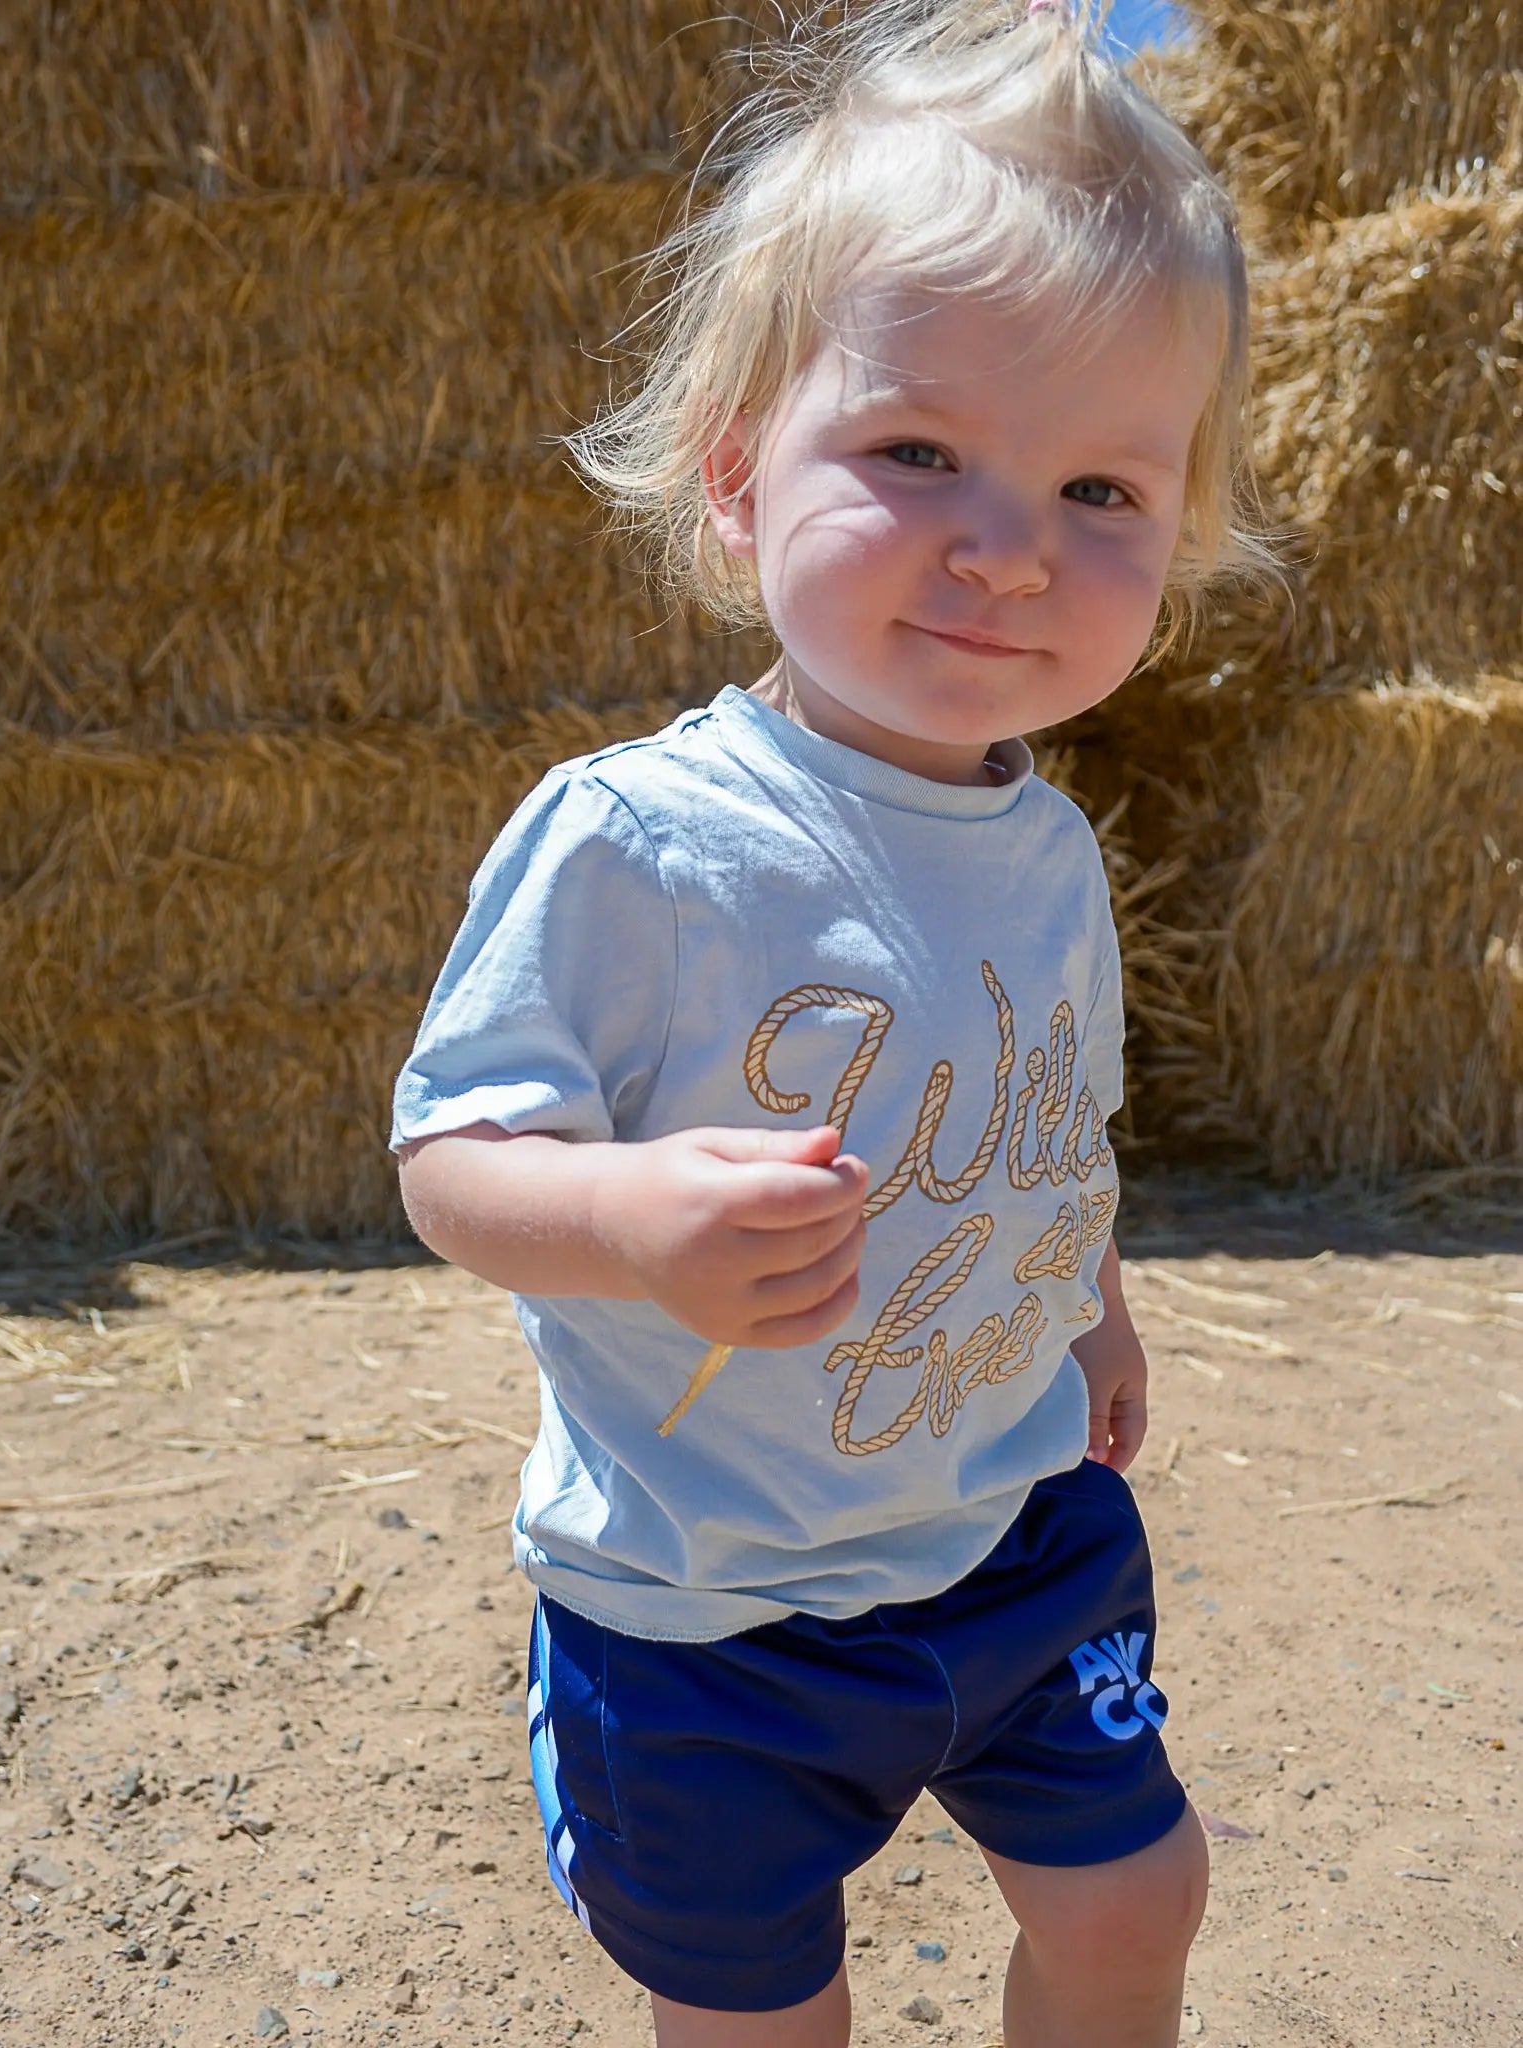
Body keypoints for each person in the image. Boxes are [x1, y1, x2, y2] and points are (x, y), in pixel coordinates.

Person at [393, 3, 1280, 2041]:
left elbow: (1036, 1123)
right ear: (732, 477)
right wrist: (623, 1222)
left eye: (1100, 487)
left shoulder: (1048, 847)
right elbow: (451, 1157)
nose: (1008, 544)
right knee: (759, 2015)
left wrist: (1090, 1301)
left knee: (1139, 1894)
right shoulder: (646, 838)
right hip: (706, 1608)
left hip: (1009, 1528)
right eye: (916, 452)